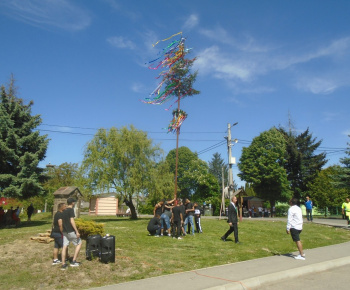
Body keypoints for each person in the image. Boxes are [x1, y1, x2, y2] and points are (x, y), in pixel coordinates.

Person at [61, 197, 82, 270]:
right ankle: (74, 261)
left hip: (64, 231)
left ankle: (63, 264)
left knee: (64, 246)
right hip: (70, 231)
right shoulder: (71, 210)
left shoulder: (64, 210)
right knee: (79, 243)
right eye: (74, 202)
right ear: (72, 203)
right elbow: (72, 221)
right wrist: (76, 231)